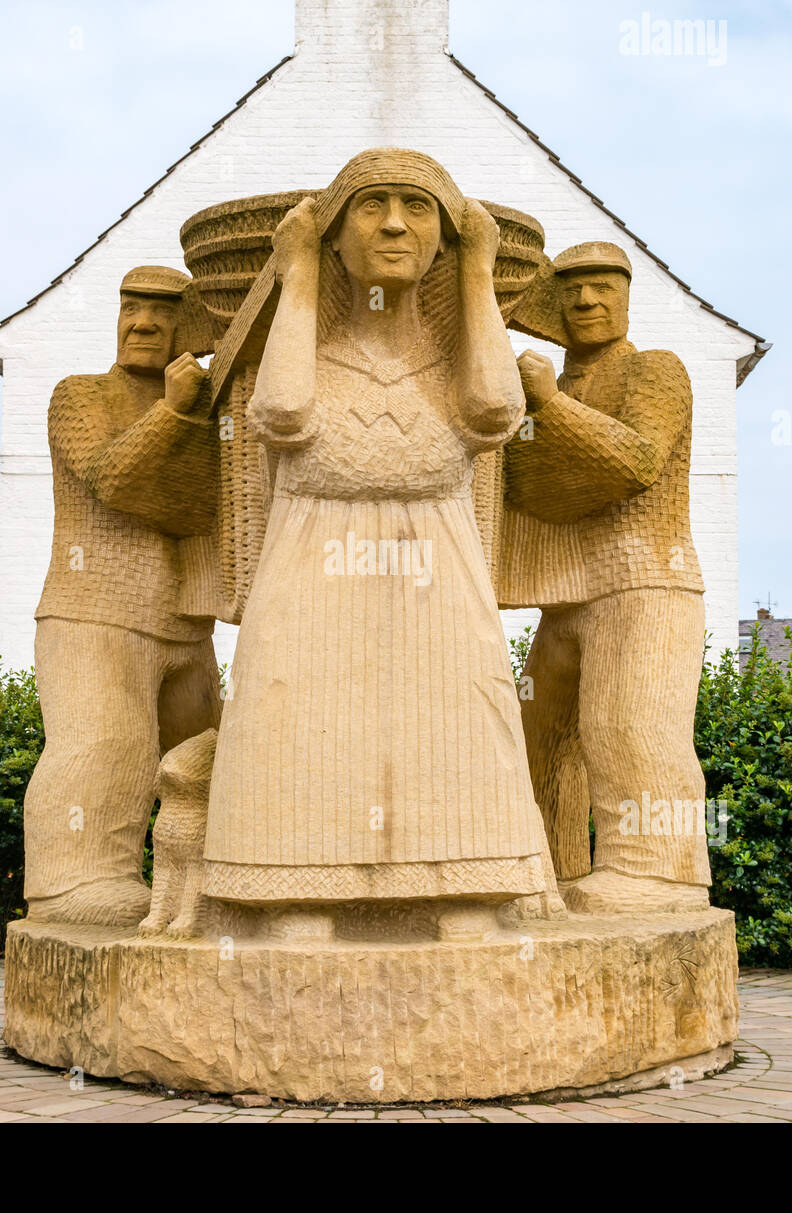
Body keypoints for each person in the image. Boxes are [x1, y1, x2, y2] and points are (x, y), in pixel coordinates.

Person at [201, 149, 551, 941]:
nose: (395, 222)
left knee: (459, 718)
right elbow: (283, 412)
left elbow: (497, 410)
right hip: (311, 563)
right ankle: (295, 889)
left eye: (418, 207)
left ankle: (466, 883)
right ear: (333, 234)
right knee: (298, 714)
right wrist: (294, 273)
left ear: (444, 237)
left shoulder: (456, 354)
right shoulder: (308, 346)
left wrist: (478, 272)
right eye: (371, 204)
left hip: (439, 569)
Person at [506, 241, 712, 913]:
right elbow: (533, 489)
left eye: (600, 288)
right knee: (534, 737)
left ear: (626, 297)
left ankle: (662, 872)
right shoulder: (552, 389)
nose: (586, 301)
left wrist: (547, 407)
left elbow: (635, 459)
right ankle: (551, 866)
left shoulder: (655, 369)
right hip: (571, 592)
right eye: (570, 292)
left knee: (630, 726)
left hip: (647, 579)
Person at [24, 265, 222, 926]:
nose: (143, 324)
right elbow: (115, 477)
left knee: (209, 761)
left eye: (164, 314)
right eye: (132, 308)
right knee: (108, 744)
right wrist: (174, 411)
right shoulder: (78, 396)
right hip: (94, 613)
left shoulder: (203, 410)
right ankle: (72, 880)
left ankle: (213, 881)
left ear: (187, 327)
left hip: (185, 622)